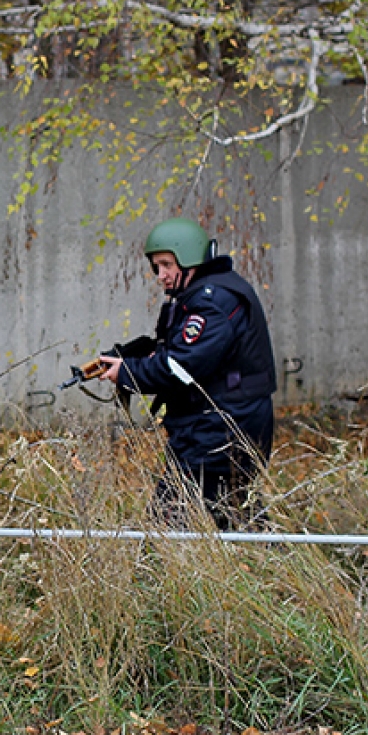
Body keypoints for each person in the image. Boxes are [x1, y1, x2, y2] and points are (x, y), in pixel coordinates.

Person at [97, 217, 276, 529]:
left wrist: (127, 373)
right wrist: (138, 356)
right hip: (230, 422)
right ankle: (276, 571)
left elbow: (181, 367)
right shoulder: (210, 295)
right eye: (156, 266)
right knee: (238, 516)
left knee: (167, 522)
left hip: (217, 429)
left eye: (167, 264)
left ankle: (152, 577)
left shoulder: (211, 302)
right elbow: (191, 357)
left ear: (191, 258)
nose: (161, 275)